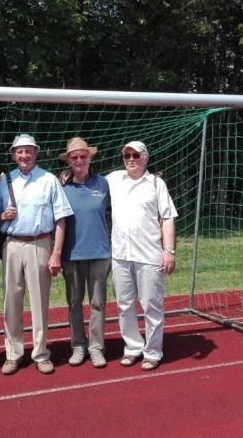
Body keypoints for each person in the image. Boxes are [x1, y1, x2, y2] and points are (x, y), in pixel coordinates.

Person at [0, 133, 73, 375]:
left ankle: (41, 353)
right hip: (12, 244)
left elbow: (61, 218)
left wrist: (56, 253)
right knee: (11, 301)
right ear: (13, 155)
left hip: (40, 243)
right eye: (19, 151)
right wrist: (1, 216)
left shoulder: (49, 180)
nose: (24, 155)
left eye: (28, 151)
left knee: (39, 302)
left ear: (36, 153)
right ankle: (13, 353)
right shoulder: (4, 181)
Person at [106, 141, 177, 371]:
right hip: (120, 255)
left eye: (135, 155)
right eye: (126, 155)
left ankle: (153, 352)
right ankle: (133, 348)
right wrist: (67, 174)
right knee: (124, 305)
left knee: (151, 307)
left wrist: (169, 251)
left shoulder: (156, 183)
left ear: (145, 158)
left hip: (149, 256)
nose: (131, 159)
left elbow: (167, 218)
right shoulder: (114, 179)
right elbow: (89, 182)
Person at [58, 137, 111, 368]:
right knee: (74, 302)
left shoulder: (104, 184)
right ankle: (78, 345)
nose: (79, 160)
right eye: (74, 157)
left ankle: (96, 347)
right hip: (72, 254)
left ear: (89, 157)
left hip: (99, 253)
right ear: (69, 161)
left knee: (98, 303)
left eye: (83, 156)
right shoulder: (61, 186)